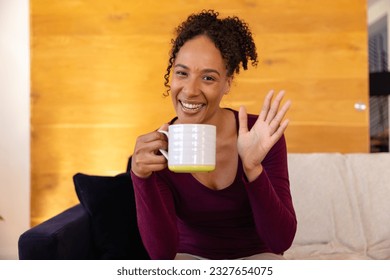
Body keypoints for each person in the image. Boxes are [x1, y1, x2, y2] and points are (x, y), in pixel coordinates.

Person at [130, 9, 297, 260]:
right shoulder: (158, 148)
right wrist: (141, 177)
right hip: (190, 260)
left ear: (227, 83)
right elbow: (162, 256)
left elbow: (280, 241)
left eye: (208, 77)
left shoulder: (260, 135)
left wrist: (252, 169)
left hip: (258, 260)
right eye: (182, 73)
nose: (190, 90)